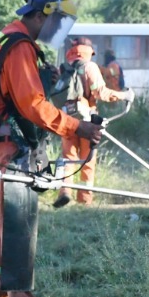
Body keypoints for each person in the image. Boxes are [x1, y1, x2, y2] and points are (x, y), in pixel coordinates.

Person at [0, 0, 104, 297]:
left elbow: (25, 96)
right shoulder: (19, 47)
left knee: (3, 227)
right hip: (13, 147)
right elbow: (33, 106)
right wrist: (77, 128)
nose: (56, 31)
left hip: (5, 144)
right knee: (17, 227)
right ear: (39, 15)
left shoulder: (8, 39)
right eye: (55, 22)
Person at [54, 37, 122, 206]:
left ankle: (65, 190)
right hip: (87, 119)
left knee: (68, 157)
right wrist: (122, 95)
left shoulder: (64, 67)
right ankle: (84, 199)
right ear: (89, 51)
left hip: (66, 118)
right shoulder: (90, 67)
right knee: (88, 158)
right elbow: (100, 92)